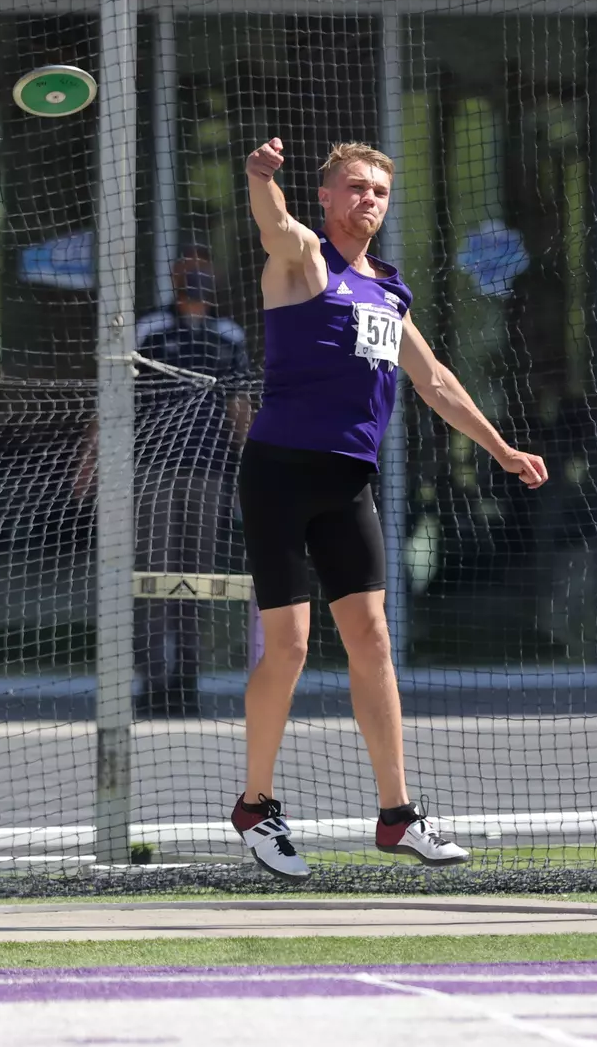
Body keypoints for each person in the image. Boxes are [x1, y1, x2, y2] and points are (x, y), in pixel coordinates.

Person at [231, 139, 548, 881]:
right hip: (279, 473)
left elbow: (435, 379)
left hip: (348, 482)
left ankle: (397, 816)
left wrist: (501, 450)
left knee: (371, 638)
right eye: (355, 187)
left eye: (378, 190)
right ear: (328, 197)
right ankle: (255, 805)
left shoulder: (388, 293)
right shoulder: (304, 261)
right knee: (290, 648)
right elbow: (275, 226)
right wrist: (257, 178)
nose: (368, 199)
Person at [132, 248, 253, 717]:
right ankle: (151, 679)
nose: (196, 278)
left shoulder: (228, 336)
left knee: (197, 577)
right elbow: (120, 396)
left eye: (204, 271)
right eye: (188, 271)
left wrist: (249, 466)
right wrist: (93, 460)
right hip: (154, 470)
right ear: (174, 278)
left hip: (210, 471)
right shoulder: (150, 330)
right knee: (154, 577)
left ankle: (186, 679)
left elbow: (239, 406)